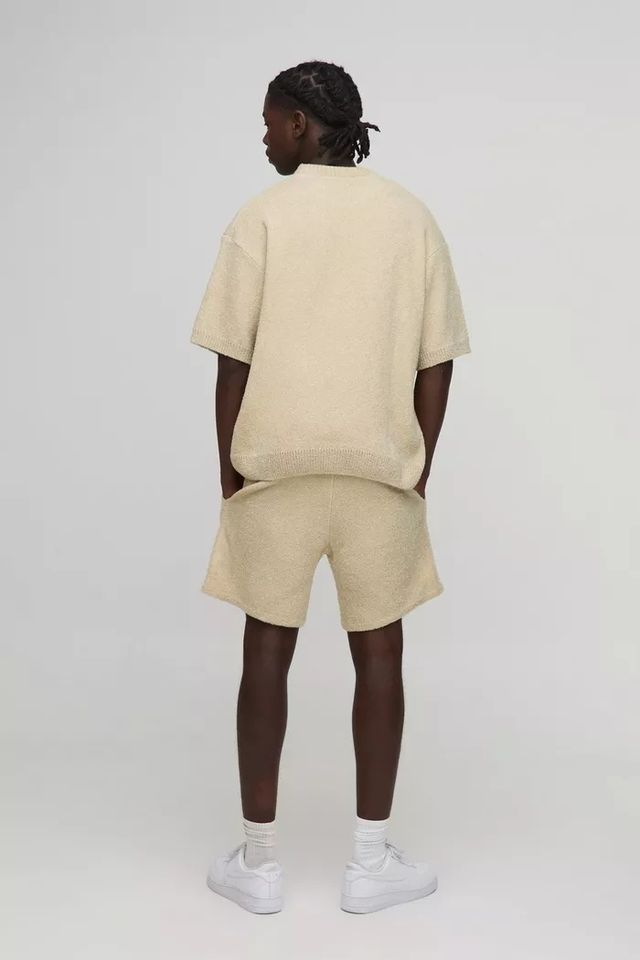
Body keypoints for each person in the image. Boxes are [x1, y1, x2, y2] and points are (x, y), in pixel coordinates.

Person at [190, 60, 471, 914]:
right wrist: (418, 462)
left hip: (273, 468)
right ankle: (371, 864)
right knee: (379, 653)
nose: (264, 136)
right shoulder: (409, 218)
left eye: (270, 121)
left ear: (302, 126)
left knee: (264, 651)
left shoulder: (261, 217)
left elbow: (232, 361)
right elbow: (436, 360)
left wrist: (230, 472)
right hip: (378, 472)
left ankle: (258, 863)